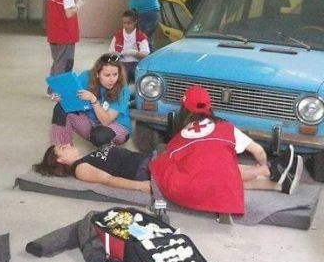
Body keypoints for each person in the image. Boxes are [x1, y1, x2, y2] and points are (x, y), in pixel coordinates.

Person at [149, 85, 303, 214]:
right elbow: (258, 151)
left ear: (183, 109)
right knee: (224, 173)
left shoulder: (180, 137)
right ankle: (270, 170)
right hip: (214, 188)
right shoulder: (225, 128)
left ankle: (279, 184)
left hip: (189, 191)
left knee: (219, 175)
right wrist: (262, 164)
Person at [33, 138, 299, 197]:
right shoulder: (81, 168)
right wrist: (141, 187)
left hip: (151, 161)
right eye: (62, 148)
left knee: (209, 171)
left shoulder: (88, 156)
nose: (67, 145)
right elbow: (109, 180)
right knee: (209, 169)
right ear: (60, 161)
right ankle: (268, 170)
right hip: (149, 170)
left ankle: (277, 185)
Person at [50, 54, 131, 148]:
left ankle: (107, 149)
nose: (112, 79)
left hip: (116, 125)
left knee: (100, 136)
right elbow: (71, 93)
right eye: (107, 75)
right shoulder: (87, 76)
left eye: (115, 74)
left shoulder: (122, 89)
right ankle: (61, 149)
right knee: (61, 108)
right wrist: (61, 97)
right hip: (91, 122)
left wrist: (94, 100)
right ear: (97, 74)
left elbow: (106, 121)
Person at [46, 0, 83, 86]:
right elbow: (68, 13)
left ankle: (52, 89)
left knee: (57, 61)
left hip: (54, 32)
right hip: (65, 34)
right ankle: (59, 90)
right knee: (65, 64)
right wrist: (78, 5)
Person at [109, 9, 150, 82]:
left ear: (135, 22)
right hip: (121, 64)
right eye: (124, 23)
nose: (126, 25)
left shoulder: (141, 37)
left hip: (136, 64)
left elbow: (145, 55)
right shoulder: (117, 35)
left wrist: (134, 53)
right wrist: (115, 54)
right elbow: (111, 52)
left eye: (128, 23)